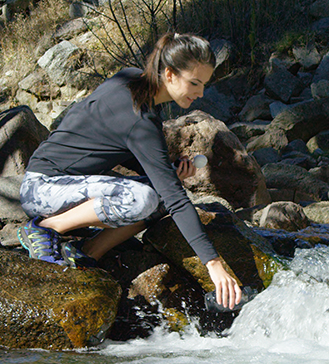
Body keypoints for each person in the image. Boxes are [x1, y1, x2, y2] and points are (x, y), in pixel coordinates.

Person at [18, 32, 242, 310]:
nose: (200, 93)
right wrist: (214, 264)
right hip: (43, 188)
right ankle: (45, 229)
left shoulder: (129, 78)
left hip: (64, 186)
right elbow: (175, 199)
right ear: (170, 74)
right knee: (146, 198)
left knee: (157, 195)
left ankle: (88, 253)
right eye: (194, 83)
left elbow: (112, 142)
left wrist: (166, 171)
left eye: (204, 84)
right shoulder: (141, 119)